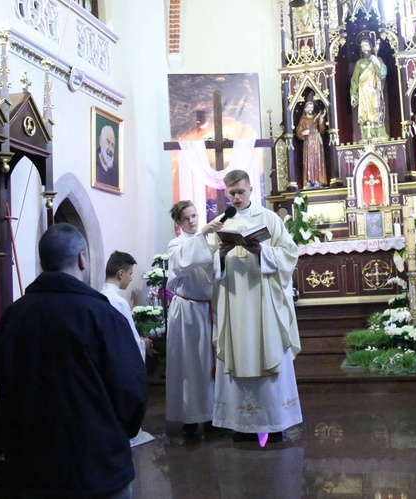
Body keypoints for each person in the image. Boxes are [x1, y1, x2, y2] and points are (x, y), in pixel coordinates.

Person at [0, 223, 146, 498]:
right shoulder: (103, 315)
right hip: (97, 467)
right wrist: (118, 435)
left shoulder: (12, 317)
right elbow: (130, 388)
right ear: (82, 259)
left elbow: (4, 387)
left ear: (43, 261)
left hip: (32, 469)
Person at [209, 170, 302, 445]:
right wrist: (221, 257)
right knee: (237, 354)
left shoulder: (269, 219)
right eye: (232, 193)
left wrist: (263, 251)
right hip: (235, 298)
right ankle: (241, 424)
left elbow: (289, 254)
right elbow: (212, 263)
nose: (236, 198)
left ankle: (273, 423)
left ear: (251, 189)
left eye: (241, 192)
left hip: (263, 299)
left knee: (267, 350)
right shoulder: (221, 223)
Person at [165, 201, 224, 435]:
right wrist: (203, 234)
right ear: (178, 223)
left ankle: (212, 416)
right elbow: (181, 264)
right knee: (190, 365)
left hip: (208, 309)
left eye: (194, 216)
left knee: (209, 364)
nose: (192, 221)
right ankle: (190, 418)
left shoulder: (208, 241)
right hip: (187, 311)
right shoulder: (176, 243)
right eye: (186, 218)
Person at [101, 250, 155, 448]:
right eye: (131, 274)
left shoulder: (99, 296)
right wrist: (144, 344)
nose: (131, 279)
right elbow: (130, 342)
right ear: (121, 273)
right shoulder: (119, 302)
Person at [350, 37, 387, 140]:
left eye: (366, 45)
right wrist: (353, 94)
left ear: (371, 47)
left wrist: (376, 62)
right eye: (362, 46)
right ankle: (366, 135)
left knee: (376, 110)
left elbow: (382, 74)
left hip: (374, 91)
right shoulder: (359, 63)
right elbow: (354, 80)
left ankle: (379, 134)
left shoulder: (377, 59)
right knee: (365, 113)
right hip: (363, 93)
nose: (364, 48)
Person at [295, 100, 328, 188]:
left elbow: (322, 130)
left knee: (317, 159)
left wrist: (321, 121)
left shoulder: (316, 118)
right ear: (305, 109)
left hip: (317, 140)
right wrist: (303, 132)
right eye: (309, 107)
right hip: (308, 141)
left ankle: (318, 180)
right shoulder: (303, 120)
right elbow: (298, 132)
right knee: (309, 160)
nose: (310, 109)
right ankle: (309, 181)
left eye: (312, 107)